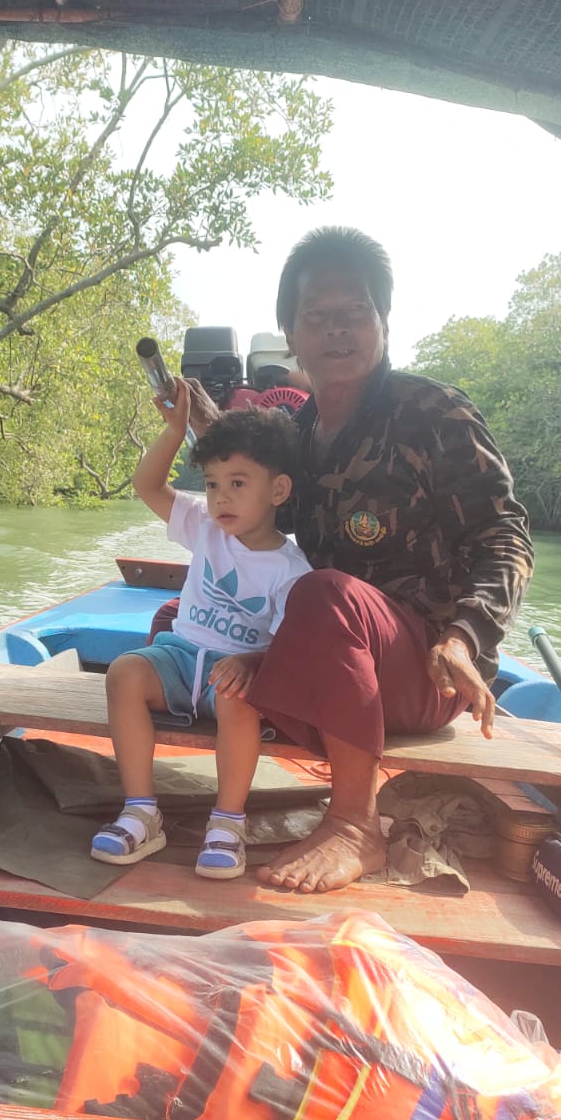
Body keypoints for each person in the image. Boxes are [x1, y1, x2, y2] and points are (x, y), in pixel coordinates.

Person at [181, 226, 535, 895]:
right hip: (335, 658)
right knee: (181, 621)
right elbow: (259, 515)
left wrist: (467, 636)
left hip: (426, 669)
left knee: (323, 594)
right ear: (291, 328)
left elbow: (506, 534)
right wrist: (212, 433)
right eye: (319, 316)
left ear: (383, 321)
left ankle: (353, 824)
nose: (338, 331)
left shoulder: (434, 413)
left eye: (355, 314)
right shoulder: (299, 438)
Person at [91, 392, 310, 880]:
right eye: (211, 485)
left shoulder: (291, 568)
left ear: (277, 490)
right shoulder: (205, 528)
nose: (220, 498)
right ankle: (142, 812)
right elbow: (147, 485)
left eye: (237, 483)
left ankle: (227, 822)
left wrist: (251, 661)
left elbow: (285, 646)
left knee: (238, 700)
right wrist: (174, 431)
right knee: (125, 672)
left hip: (235, 670)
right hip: (179, 653)